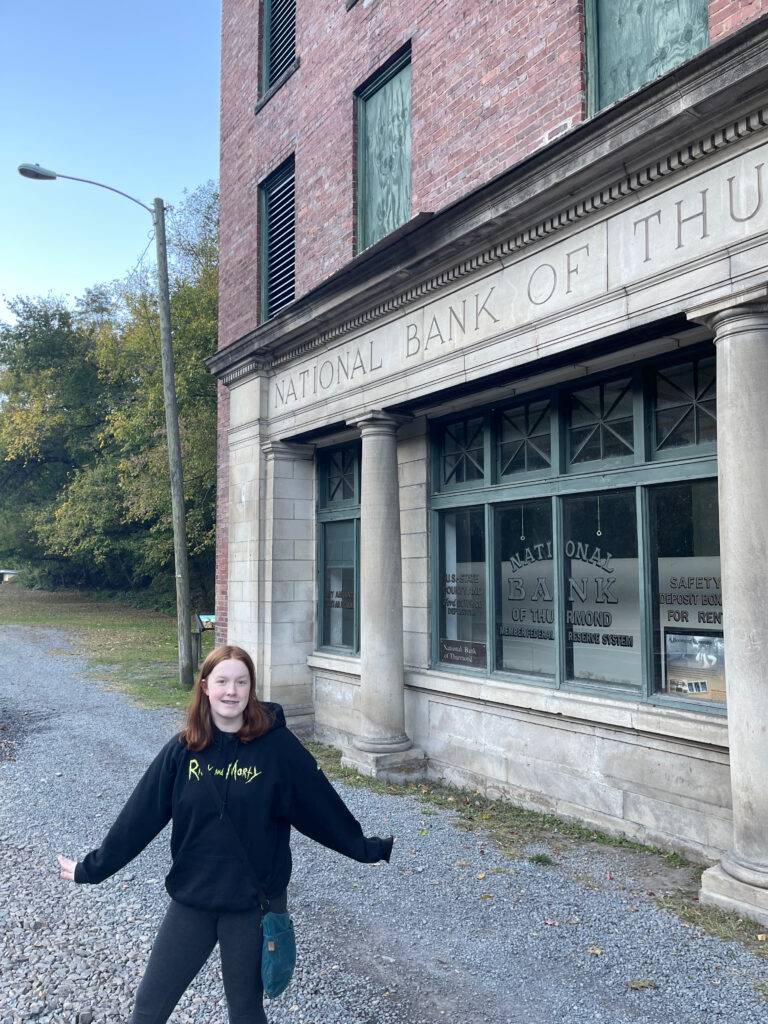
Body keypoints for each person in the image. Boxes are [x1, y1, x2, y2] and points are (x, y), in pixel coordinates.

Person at [58, 644, 394, 1024]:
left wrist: (367, 848)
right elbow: (139, 817)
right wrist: (93, 868)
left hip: (253, 905)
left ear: (251, 688)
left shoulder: (278, 750)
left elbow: (321, 808)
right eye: (222, 681)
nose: (231, 691)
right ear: (205, 687)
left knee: (246, 1012)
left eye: (241, 682)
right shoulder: (184, 751)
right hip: (193, 899)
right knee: (148, 1009)